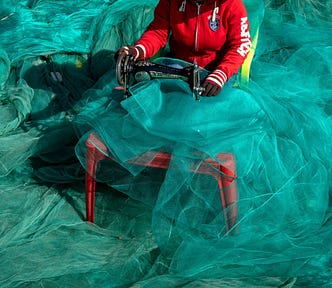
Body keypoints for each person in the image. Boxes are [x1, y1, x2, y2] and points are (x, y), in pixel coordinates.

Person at [116, 0, 252, 96]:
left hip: (216, 72)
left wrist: (221, 74)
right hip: (178, 65)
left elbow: (240, 45)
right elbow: (158, 32)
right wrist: (138, 50)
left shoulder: (232, 4)